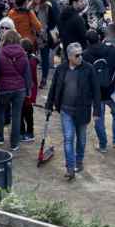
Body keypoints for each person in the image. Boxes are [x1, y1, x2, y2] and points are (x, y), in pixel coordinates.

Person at [46, 42, 96, 181]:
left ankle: (79, 161)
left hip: (82, 110)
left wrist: (97, 110)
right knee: (68, 138)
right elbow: (54, 88)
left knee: (81, 139)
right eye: (77, 55)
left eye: (81, 54)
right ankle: (70, 168)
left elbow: (96, 90)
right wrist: (49, 105)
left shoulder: (88, 69)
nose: (80, 57)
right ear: (69, 57)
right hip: (66, 110)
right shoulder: (61, 69)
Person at [84, 28, 115, 154]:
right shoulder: (111, 50)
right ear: (99, 38)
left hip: (96, 92)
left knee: (98, 118)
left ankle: (102, 145)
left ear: (87, 41)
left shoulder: (85, 55)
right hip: (112, 90)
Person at [0, 30, 32, 152]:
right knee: (16, 115)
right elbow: (27, 74)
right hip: (19, 89)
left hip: (4, 88)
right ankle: (14, 143)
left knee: (0, 112)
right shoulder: (23, 54)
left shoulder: (0, 54)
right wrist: (28, 89)